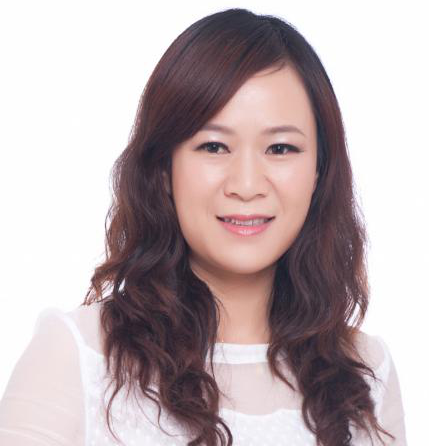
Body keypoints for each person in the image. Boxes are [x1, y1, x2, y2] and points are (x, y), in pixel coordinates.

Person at [0, 7, 407, 446]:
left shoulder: (366, 374)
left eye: (280, 148)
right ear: (163, 169)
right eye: (213, 146)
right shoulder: (78, 356)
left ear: (319, 171)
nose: (246, 185)